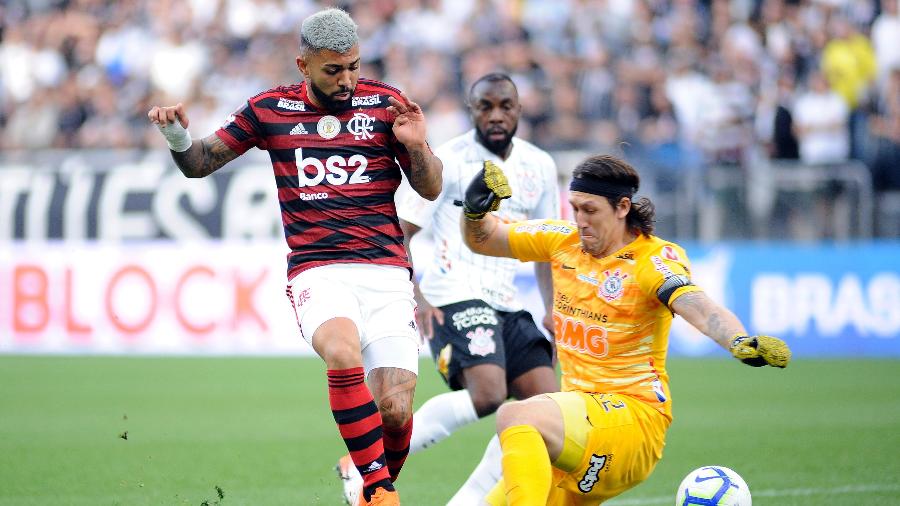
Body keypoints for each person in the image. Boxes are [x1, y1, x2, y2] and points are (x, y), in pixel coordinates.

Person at [146, 9, 443, 506]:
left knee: (394, 409)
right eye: (333, 70)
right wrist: (175, 134)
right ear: (303, 65)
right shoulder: (268, 109)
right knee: (343, 352)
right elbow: (199, 163)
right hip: (318, 268)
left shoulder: (387, 104)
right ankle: (381, 490)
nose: (346, 79)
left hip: (387, 270)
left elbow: (429, 188)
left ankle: (363, 476)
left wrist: (416, 148)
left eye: (353, 66)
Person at [459, 155, 791, 505]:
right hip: (579, 435)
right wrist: (474, 210)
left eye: (590, 210)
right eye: (575, 209)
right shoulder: (562, 240)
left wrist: (737, 340)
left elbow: (695, 304)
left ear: (622, 207)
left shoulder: (652, 259)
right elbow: (484, 238)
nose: (581, 221)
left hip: (632, 422)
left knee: (516, 414)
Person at [336, 72, 561, 506]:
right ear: (472, 109)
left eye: (505, 106)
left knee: (544, 410)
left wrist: (551, 308)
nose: (496, 116)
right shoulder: (449, 160)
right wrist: (415, 297)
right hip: (451, 294)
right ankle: (363, 462)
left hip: (508, 302)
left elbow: (547, 247)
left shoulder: (541, 166)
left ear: (519, 109)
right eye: (485, 107)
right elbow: (402, 233)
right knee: (489, 394)